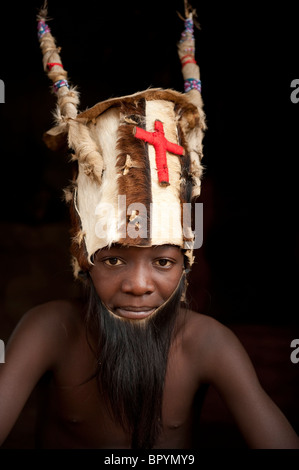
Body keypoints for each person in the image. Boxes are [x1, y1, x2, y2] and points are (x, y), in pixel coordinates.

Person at [0, 2, 298, 450]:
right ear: (85, 260)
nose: (138, 285)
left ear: (186, 262)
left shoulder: (208, 344)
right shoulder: (49, 331)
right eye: (114, 258)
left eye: (162, 261)